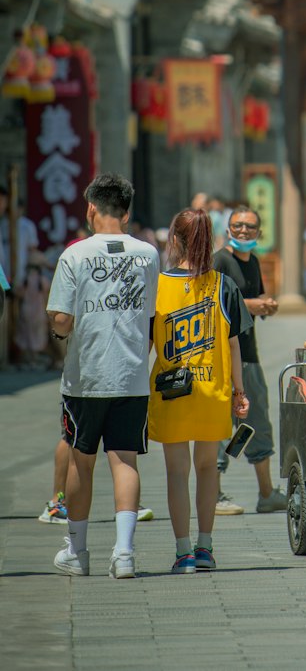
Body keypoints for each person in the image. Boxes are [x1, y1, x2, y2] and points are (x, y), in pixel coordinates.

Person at [45, 173, 160, 578]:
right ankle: (124, 553)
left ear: (91, 208)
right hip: (131, 375)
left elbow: (61, 318)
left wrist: (60, 332)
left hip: (85, 377)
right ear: (126, 212)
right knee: (125, 459)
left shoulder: (74, 255)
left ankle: (77, 551)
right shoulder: (148, 254)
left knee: (82, 462)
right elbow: (150, 315)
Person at [149, 207, 251, 574]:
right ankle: (205, 547)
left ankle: (183, 552)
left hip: (169, 392)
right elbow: (234, 343)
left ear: (174, 240)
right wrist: (239, 392)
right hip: (213, 390)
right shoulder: (224, 285)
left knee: (177, 471)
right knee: (208, 468)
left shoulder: (157, 286)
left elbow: (145, 344)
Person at [212, 204, 286, 516]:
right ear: (229, 228)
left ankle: (266, 493)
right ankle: (212, 493)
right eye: (238, 225)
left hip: (249, 352)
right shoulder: (220, 260)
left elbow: (254, 302)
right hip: (222, 354)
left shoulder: (254, 261)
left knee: (257, 421)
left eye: (250, 227)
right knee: (218, 424)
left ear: (258, 232)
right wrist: (252, 304)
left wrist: (266, 306)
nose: (244, 231)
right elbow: (211, 302)